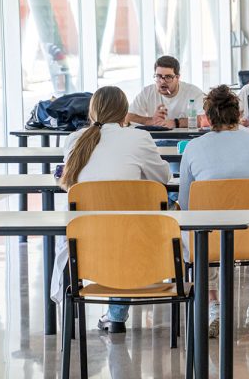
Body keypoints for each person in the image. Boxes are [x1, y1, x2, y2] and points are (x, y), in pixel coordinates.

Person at [50, 86, 172, 333]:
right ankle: (115, 313)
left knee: (117, 223)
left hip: (83, 240)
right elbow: (163, 177)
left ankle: (113, 315)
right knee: (130, 219)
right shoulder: (138, 138)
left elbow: (70, 183)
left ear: (92, 111)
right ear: (125, 112)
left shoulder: (74, 139)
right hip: (133, 238)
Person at [179, 86, 249, 336]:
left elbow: (186, 205)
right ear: (239, 114)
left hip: (210, 240)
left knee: (199, 229)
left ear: (208, 118)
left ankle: (213, 307)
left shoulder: (193, 149)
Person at [126, 55, 205, 128]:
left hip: (185, 140)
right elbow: (127, 117)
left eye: (168, 77)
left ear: (177, 78)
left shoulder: (193, 92)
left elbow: (207, 119)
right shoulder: (147, 92)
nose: (162, 81)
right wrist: (150, 121)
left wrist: (175, 123)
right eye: (158, 76)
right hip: (156, 140)